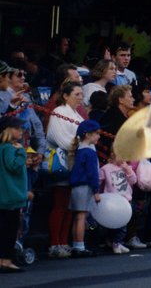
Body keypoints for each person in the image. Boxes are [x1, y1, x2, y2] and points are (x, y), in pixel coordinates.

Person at [45, 80, 85, 259]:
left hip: (76, 164)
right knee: (60, 204)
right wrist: (83, 145)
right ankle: (55, 243)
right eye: (76, 94)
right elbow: (62, 140)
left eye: (81, 94)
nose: (80, 98)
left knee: (70, 206)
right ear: (65, 96)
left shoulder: (77, 114)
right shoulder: (59, 113)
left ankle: (63, 241)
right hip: (63, 164)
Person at [67, 119, 102, 257]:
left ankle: (76, 244)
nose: (99, 136)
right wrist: (96, 190)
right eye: (96, 134)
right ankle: (80, 246)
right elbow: (92, 173)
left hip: (76, 186)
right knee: (82, 216)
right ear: (88, 135)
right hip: (85, 186)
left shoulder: (80, 150)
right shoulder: (90, 152)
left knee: (77, 216)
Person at [0, 116, 29, 273]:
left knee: (4, 229)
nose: (21, 131)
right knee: (9, 230)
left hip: (4, 195)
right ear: (8, 130)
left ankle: (3, 259)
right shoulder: (10, 148)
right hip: (11, 196)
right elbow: (13, 166)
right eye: (17, 128)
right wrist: (22, 153)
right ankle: (6, 260)